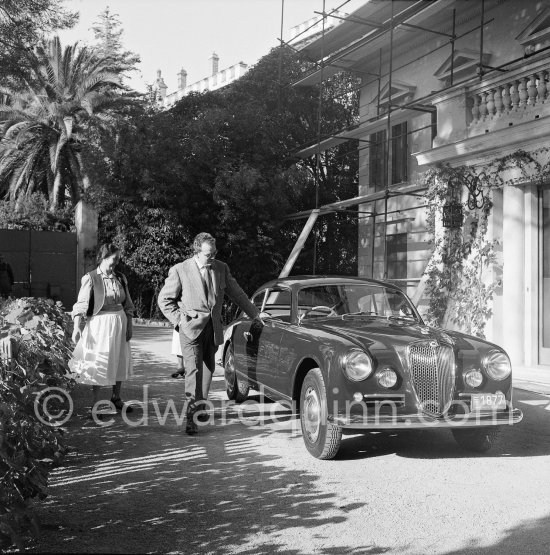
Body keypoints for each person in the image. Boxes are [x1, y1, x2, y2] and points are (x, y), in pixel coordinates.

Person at [158, 232, 265, 435]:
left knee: (207, 369)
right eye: (209, 254)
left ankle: (201, 405)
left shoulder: (221, 268)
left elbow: (238, 294)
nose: (212, 257)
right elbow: (164, 300)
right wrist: (180, 321)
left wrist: (255, 315)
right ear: (197, 251)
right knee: (192, 372)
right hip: (190, 329)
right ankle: (191, 418)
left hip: (213, 329)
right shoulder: (180, 270)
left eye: (215, 252)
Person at [69, 243, 135, 415]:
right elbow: (81, 305)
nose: (117, 262)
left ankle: (116, 397)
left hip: (119, 321)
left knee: (119, 359)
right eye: (114, 259)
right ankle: (96, 402)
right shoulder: (90, 278)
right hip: (99, 325)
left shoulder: (120, 278)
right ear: (104, 258)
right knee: (99, 360)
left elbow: (128, 305)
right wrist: (77, 326)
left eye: (118, 259)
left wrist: (130, 325)